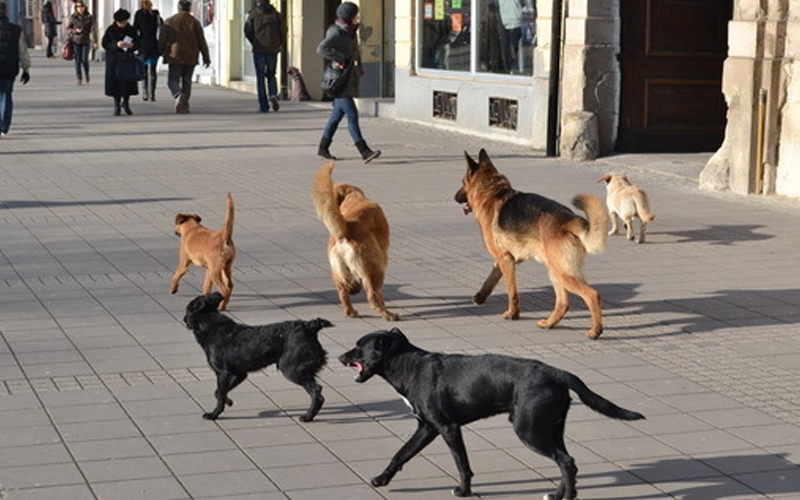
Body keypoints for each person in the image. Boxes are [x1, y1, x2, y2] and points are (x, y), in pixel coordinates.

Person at [316, 2, 380, 163]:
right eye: (355, 16)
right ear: (347, 17)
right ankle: (364, 151)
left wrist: (361, 67)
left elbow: (355, 52)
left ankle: (323, 148)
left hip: (349, 76)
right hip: (339, 79)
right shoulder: (336, 32)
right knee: (352, 114)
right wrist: (339, 58)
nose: (358, 18)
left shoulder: (352, 32)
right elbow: (321, 48)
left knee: (336, 117)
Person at [159, 0, 210, 114]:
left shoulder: (169, 21)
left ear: (178, 8)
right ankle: (184, 105)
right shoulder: (194, 22)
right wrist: (206, 57)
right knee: (187, 81)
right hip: (191, 56)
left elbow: (162, 39)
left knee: (172, 80)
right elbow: (201, 41)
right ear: (189, 9)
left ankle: (178, 95)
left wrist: (161, 52)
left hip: (175, 56)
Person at [244, 0, 285, 113]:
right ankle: (273, 93)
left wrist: (255, 42)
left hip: (259, 49)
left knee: (260, 78)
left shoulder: (254, 14)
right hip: (273, 49)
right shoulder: (276, 14)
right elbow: (283, 30)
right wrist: (279, 43)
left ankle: (263, 105)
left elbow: (247, 30)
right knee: (271, 74)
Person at [0, 1, 30, 136]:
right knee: (6, 95)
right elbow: (23, 51)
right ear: (6, 12)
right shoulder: (16, 29)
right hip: (9, 69)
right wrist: (26, 69)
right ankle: (4, 126)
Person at [101, 9, 139, 116]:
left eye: (124, 22)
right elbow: (104, 44)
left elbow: (138, 42)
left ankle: (126, 103)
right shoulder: (110, 30)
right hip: (114, 60)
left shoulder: (131, 30)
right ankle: (116, 104)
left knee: (128, 83)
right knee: (115, 84)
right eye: (120, 22)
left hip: (128, 59)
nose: (122, 24)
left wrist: (133, 45)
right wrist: (116, 45)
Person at [134, 0, 162, 101]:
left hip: (143, 45)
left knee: (144, 70)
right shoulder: (155, 14)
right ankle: (152, 93)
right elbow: (161, 27)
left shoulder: (138, 14)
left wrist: (136, 43)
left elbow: (135, 29)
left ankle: (145, 93)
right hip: (154, 45)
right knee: (153, 70)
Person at [67, 0, 93, 85]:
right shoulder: (73, 17)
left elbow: (93, 29)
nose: (80, 8)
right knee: (78, 60)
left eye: (81, 7)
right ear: (76, 8)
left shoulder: (89, 17)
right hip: (76, 40)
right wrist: (75, 30)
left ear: (85, 7)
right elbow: (69, 28)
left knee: (84, 59)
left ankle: (87, 74)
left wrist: (94, 41)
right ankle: (79, 78)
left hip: (86, 40)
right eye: (78, 7)